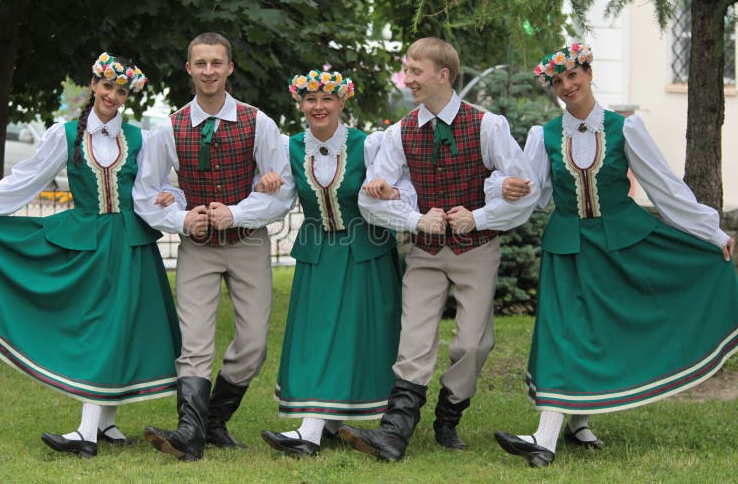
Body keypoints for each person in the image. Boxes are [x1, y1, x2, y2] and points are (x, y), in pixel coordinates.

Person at [491, 43, 738, 467]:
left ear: (589, 73)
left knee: (602, 330)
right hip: (569, 246)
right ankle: (544, 439)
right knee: (565, 333)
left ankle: (575, 424)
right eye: (558, 81)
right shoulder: (544, 135)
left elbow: (664, 187)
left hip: (623, 243)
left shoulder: (627, 128)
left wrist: (711, 232)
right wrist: (502, 190)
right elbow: (530, 193)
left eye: (573, 76)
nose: (567, 86)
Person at [0, 52, 182, 458]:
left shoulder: (141, 138)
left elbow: (155, 187)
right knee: (99, 329)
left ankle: (100, 427)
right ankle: (94, 428)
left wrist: (168, 197)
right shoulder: (66, 134)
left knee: (119, 328)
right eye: (107, 87)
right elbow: (26, 181)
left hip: (128, 244)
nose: (113, 96)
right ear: (93, 85)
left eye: (121, 91)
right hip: (88, 243)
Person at [338, 37, 540, 461]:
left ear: (443, 75)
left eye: (415, 71)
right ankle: (393, 434)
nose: (407, 79)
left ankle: (448, 415)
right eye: (406, 70)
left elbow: (525, 191)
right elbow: (370, 199)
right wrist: (413, 219)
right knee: (413, 342)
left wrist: (479, 217)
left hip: (477, 250)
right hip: (426, 253)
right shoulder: (399, 133)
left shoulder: (488, 126)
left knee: (473, 344)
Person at [134, 32, 292, 461]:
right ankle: (189, 433)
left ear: (230, 68)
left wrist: (237, 213)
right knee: (195, 341)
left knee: (255, 341)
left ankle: (213, 421)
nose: (208, 71)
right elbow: (146, 193)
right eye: (200, 63)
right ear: (189, 68)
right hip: (198, 246)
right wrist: (181, 217)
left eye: (216, 63)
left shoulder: (259, 122)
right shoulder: (169, 128)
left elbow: (283, 190)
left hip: (247, 241)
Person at [253, 69, 414, 457]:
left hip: (365, 252)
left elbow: (404, 184)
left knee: (352, 338)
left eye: (327, 99)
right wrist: (263, 184)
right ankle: (320, 424)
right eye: (310, 99)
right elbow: (279, 197)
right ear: (301, 103)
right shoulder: (290, 147)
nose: (318, 106)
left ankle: (311, 432)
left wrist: (388, 190)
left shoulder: (368, 144)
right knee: (317, 338)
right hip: (319, 253)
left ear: (342, 102)